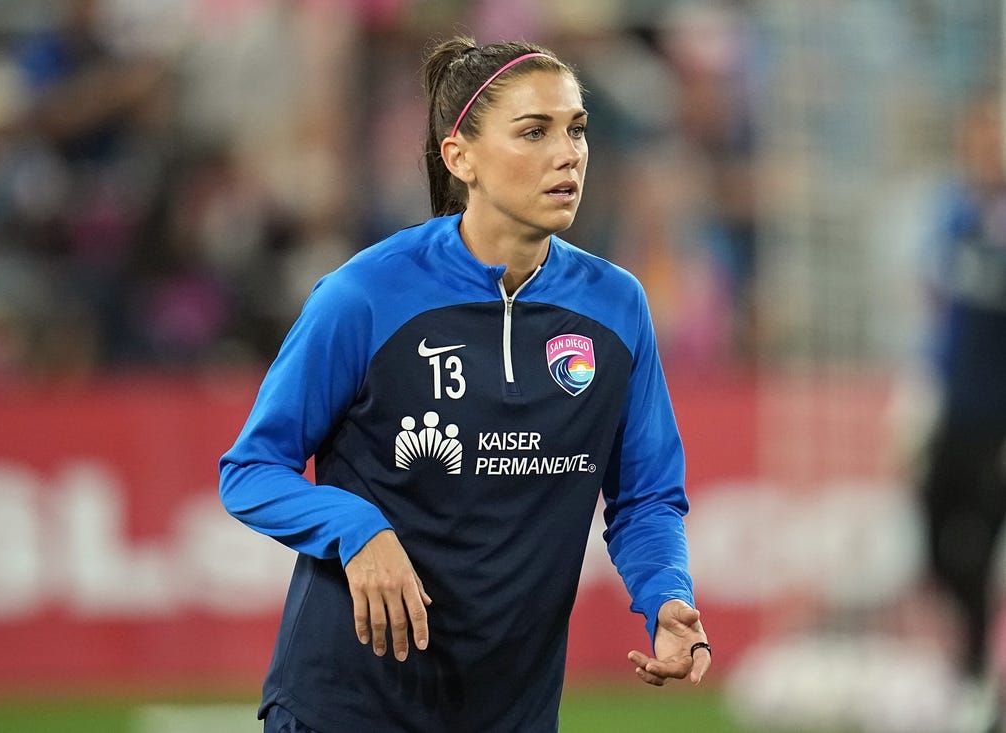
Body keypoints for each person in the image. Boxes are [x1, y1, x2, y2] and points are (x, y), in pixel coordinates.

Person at [219, 36, 710, 732]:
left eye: (576, 129)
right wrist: (356, 528)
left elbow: (644, 495)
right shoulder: (364, 295)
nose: (567, 153)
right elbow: (249, 470)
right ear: (461, 157)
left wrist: (664, 594)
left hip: (509, 711)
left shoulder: (616, 306)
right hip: (347, 704)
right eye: (533, 132)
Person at [917, 88, 1006, 733]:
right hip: (955, 408)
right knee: (931, 540)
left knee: (977, 550)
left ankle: (977, 678)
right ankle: (969, 671)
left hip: (1000, 418)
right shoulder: (956, 212)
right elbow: (939, 307)